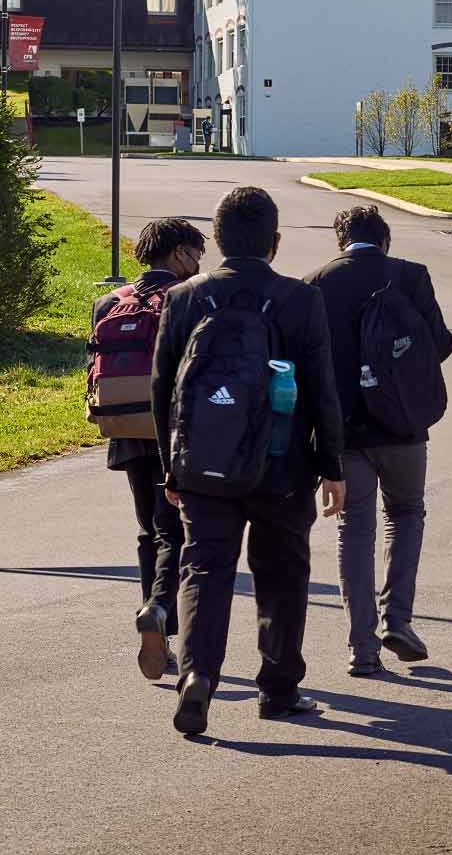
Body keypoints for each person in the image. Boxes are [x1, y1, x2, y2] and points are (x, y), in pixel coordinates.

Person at [150, 185, 347, 737]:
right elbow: (321, 389)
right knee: (283, 574)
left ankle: (197, 676)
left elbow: (163, 387)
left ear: (215, 239)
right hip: (282, 468)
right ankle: (279, 690)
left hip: (202, 465)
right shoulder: (300, 299)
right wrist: (332, 466)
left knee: (205, 568)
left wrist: (172, 465)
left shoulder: (184, 298)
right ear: (275, 242)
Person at [308, 204, 452, 677]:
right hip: (404, 426)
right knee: (407, 513)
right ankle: (398, 619)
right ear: (385, 239)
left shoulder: (317, 282)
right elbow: (443, 344)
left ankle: (361, 646)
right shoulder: (411, 276)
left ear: (340, 241)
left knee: (355, 528)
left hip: (346, 432)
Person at [90, 217, 205, 680]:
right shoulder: (186, 298)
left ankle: (155, 616)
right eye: (196, 254)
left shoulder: (107, 302)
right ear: (178, 253)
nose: (199, 263)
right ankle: (160, 612)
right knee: (176, 530)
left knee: (149, 530)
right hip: (172, 431)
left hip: (124, 427)